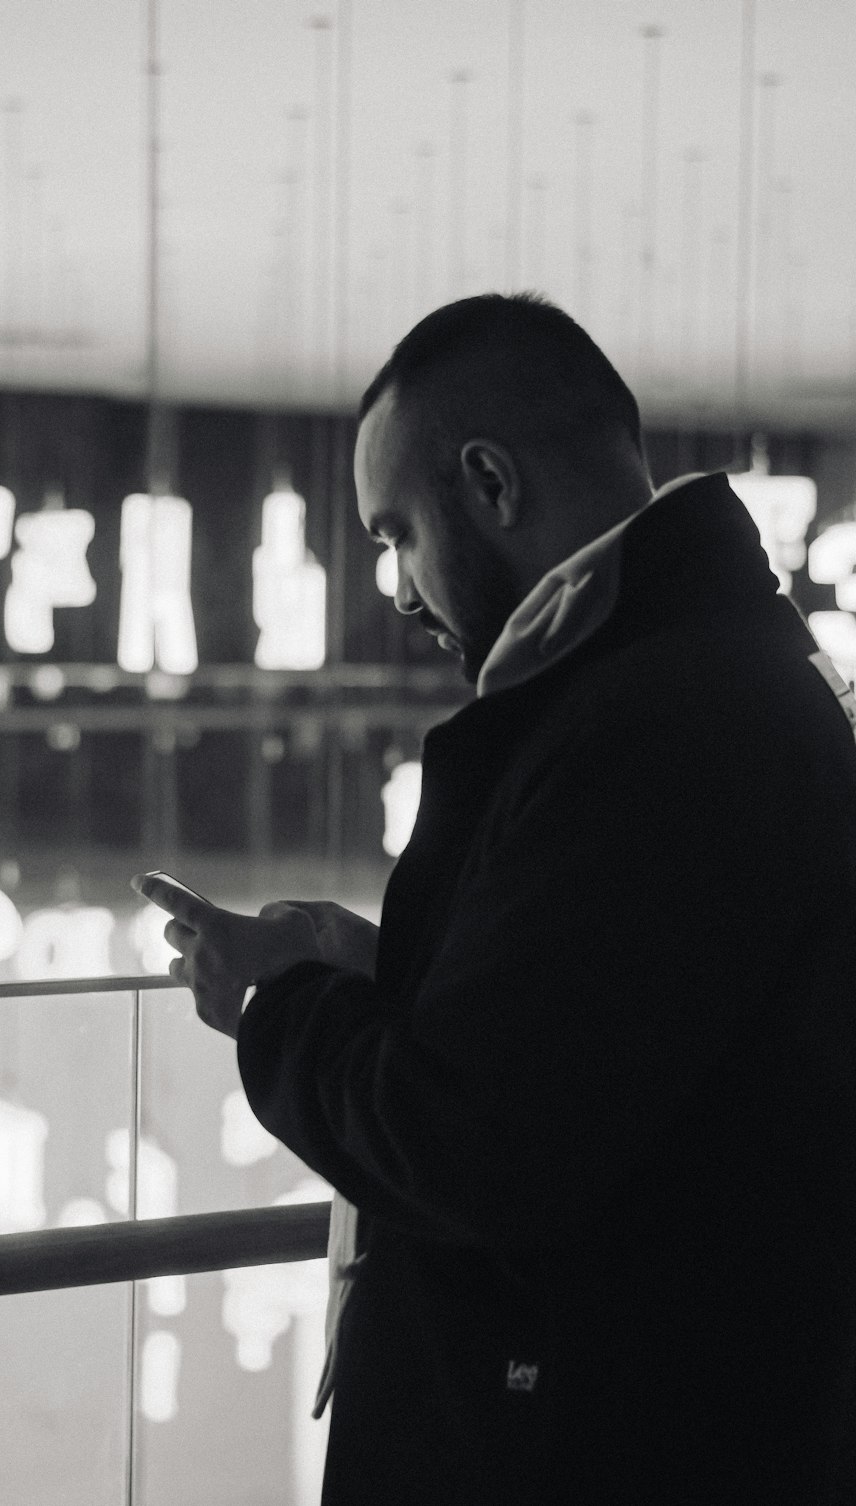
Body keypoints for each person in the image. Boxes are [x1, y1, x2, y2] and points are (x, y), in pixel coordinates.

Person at [134, 293, 856, 1504]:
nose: (398, 590)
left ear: (488, 482)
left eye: (394, 533)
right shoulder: (719, 671)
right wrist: (379, 970)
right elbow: (612, 1034)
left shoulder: (647, 724)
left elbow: (469, 1147)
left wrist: (275, 1010)